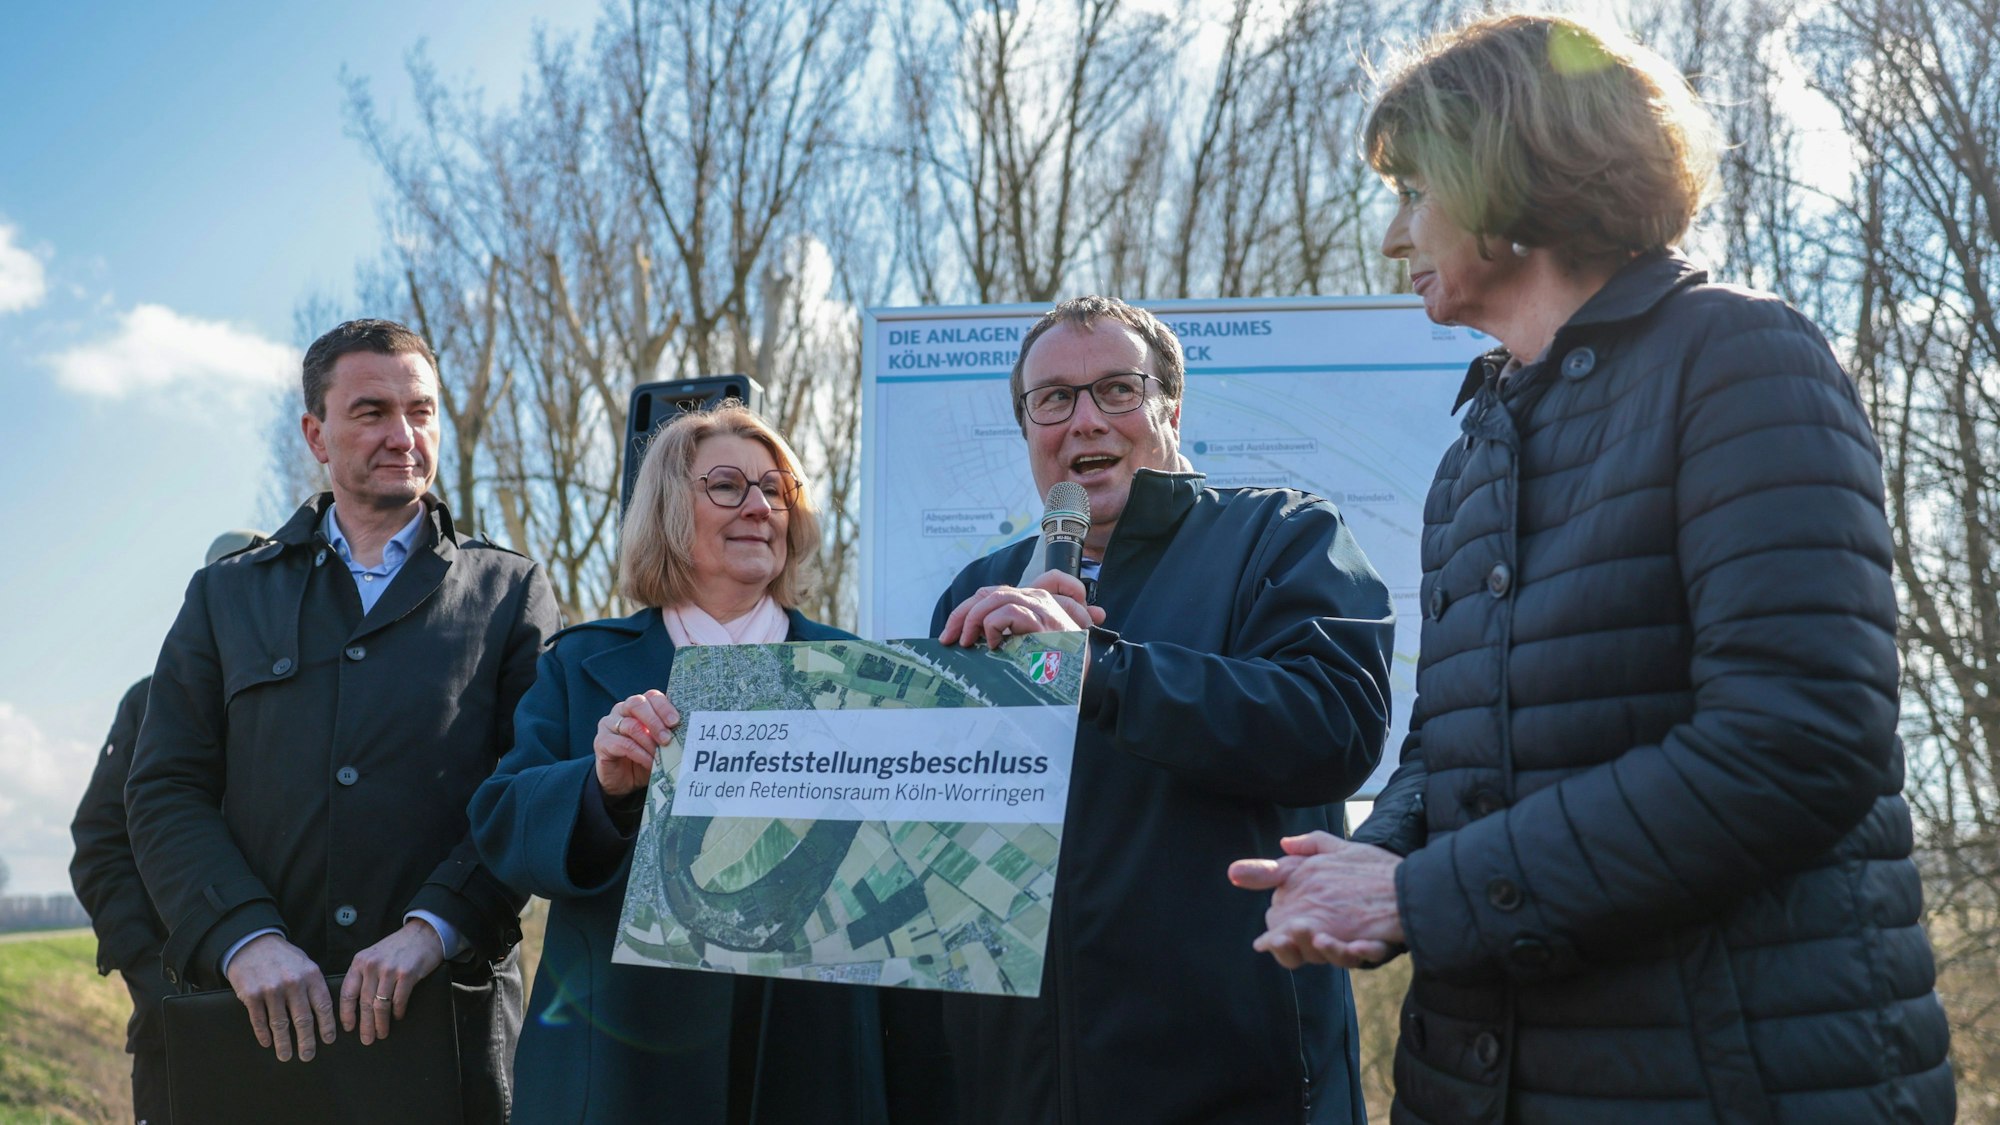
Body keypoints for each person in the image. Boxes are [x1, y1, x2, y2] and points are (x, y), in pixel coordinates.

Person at [1227, 13, 1954, 1122]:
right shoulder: (1473, 447)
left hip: (1728, 1080)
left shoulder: (1738, 356)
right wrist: (1360, 871)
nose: (1393, 236)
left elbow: (1796, 739)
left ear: (1503, 181)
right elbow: (1444, 744)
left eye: (1413, 191)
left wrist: (1421, 894)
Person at [920, 295, 1395, 1122]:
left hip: (1234, 1081)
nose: (1083, 421)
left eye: (1115, 389)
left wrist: (1100, 670)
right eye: (1053, 399)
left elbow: (1335, 722)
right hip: (1021, 1085)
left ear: (1170, 409)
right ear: (1028, 427)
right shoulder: (978, 591)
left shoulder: (1279, 535)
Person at [125, 319, 561, 1122]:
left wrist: (438, 923)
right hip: (254, 1029)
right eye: (371, 411)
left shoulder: (511, 594)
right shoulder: (225, 596)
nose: (403, 434)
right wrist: (243, 936)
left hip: (447, 1033)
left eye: (421, 411)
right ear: (315, 434)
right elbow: (164, 789)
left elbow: (531, 790)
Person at [468, 403, 889, 1123]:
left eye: (776, 487)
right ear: (667, 507)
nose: (760, 506)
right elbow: (503, 826)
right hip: (621, 1064)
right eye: (728, 485)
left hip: (811, 1056)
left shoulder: (866, 675)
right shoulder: (581, 662)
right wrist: (601, 788)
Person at [69, 528, 266, 1125]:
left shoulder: (320, 696)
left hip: (302, 1018)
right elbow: (100, 847)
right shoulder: (150, 701)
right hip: (178, 1031)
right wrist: (157, 976)